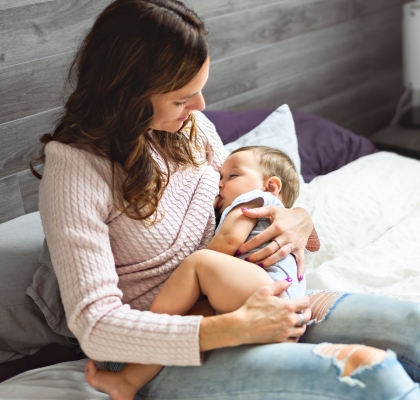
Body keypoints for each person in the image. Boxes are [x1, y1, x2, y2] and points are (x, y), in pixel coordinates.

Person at [33, 0, 420, 398]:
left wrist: (298, 217)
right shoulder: (75, 169)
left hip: (248, 296)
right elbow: (96, 327)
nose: (201, 107)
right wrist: (232, 327)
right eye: (182, 97)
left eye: (200, 90)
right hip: (163, 351)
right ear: (126, 93)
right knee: (369, 374)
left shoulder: (191, 130)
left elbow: (249, 191)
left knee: (418, 325)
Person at [85, 146, 307, 400]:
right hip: (285, 305)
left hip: (269, 289)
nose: (220, 185)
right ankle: (128, 380)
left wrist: (196, 276)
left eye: (232, 176)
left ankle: (154, 325)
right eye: (220, 178)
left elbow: (227, 242)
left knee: (199, 262)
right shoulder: (268, 211)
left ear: (271, 186)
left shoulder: (255, 201)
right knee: (191, 322)